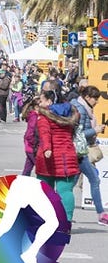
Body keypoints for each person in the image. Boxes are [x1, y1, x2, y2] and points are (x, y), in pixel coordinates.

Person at [35, 90, 81, 223]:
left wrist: (47, 149)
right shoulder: (71, 114)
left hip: (48, 158)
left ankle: (46, 219)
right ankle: (66, 221)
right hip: (67, 156)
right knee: (65, 191)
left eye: (42, 100)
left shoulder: (44, 117)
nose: (40, 103)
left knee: (46, 191)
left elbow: (45, 134)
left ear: (50, 101)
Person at [71, 86, 107, 225]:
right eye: (95, 98)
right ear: (87, 97)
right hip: (79, 151)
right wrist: (95, 130)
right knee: (94, 180)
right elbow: (78, 135)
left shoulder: (81, 107)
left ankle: (63, 213)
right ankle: (101, 214)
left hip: (78, 150)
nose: (97, 101)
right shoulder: (81, 110)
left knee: (71, 184)